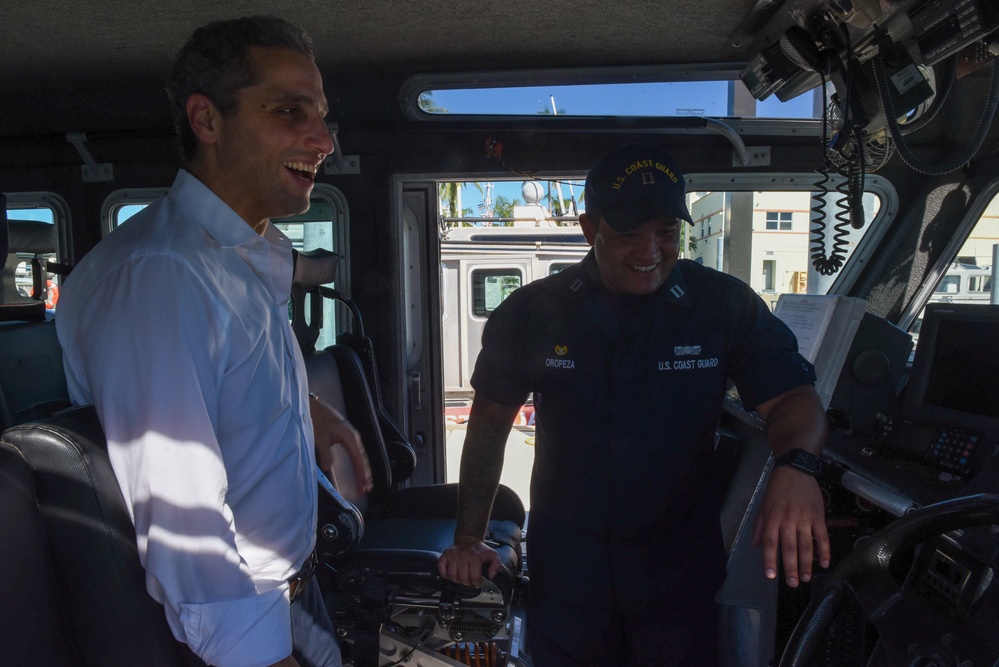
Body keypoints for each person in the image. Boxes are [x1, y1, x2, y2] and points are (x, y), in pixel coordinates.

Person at [437, 143, 831, 666]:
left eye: (666, 232)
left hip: (677, 573)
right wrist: (469, 537)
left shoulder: (723, 306)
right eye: (627, 235)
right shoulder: (533, 311)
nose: (650, 251)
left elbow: (793, 399)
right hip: (568, 568)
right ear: (589, 229)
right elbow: (488, 424)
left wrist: (797, 466)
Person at [56, 16, 371, 667]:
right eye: (290, 111)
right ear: (207, 120)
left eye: (320, 114)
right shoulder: (162, 276)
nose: (323, 139)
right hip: (233, 633)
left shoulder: (238, 256)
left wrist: (313, 410)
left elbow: (226, 377)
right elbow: (182, 519)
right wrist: (260, 658)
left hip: (287, 598)